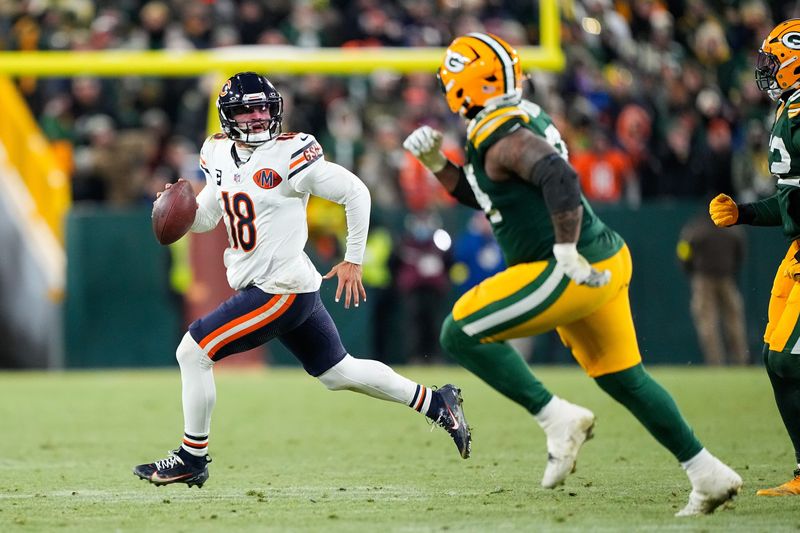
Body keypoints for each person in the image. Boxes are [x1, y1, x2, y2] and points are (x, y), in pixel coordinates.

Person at [403, 32, 741, 516]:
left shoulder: (500, 132)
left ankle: (556, 418)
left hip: (570, 265)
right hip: (602, 256)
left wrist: (563, 249)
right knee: (626, 380)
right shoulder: (507, 122)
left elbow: (558, 176)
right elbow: (492, 196)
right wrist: (439, 165)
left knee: (459, 332)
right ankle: (707, 472)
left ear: (465, 86)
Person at [133, 72, 471, 488]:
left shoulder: (291, 153)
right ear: (227, 117)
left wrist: (354, 259)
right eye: (246, 110)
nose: (257, 118)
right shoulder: (216, 153)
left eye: (263, 108)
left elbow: (356, 192)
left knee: (193, 350)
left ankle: (191, 456)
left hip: (281, 287)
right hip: (278, 286)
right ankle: (438, 403)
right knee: (338, 372)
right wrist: (174, 208)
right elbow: (208, 215)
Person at [709, 18, 800, 496]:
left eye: (773, 61)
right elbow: (792, 201)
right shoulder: (789, 111)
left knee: (789, 360)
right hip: (796, 250)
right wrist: (744, 212)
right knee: (775, 356)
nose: (765, 71)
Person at [677, 209, 749, 365]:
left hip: (703, 279)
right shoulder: (732, 229)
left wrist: (688, 268)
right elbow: (741, 252)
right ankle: (740, 359)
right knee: (734, 318)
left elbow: (683, 250)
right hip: (726, 277)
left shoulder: (696, 228)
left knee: (707, 321)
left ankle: (715, 361)